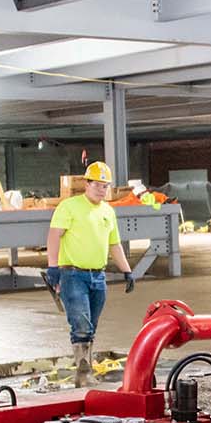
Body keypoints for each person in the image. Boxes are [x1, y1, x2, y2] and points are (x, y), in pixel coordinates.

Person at [47, 161, 136, 387]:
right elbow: (54, 236)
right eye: (97, 184)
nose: (102, 189)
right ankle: (83, 373)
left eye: (105, 186)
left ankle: (84, 368)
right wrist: (53, 266)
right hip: (73, 275)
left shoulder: (108, 212)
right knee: (82, 324)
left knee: (91, 326)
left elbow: (114, 244)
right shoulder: (69, 207)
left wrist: (127, 271)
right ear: (87, 184)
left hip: (98, 277)